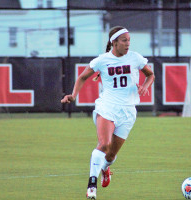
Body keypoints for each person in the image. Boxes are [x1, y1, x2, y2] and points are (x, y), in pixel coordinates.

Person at [61, 26, 155, 199]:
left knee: (111, 154)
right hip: (107, 107)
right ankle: (91, 185)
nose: (128, 43)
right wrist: (73, 95)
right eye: (124, 40)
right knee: (104, 144)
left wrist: (145, 86)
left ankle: (105, 168)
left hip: (128, 112)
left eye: (129, 40)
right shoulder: (102, 60)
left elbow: (150, 75)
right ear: (114, 42)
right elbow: (82, 77)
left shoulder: (135, 58)